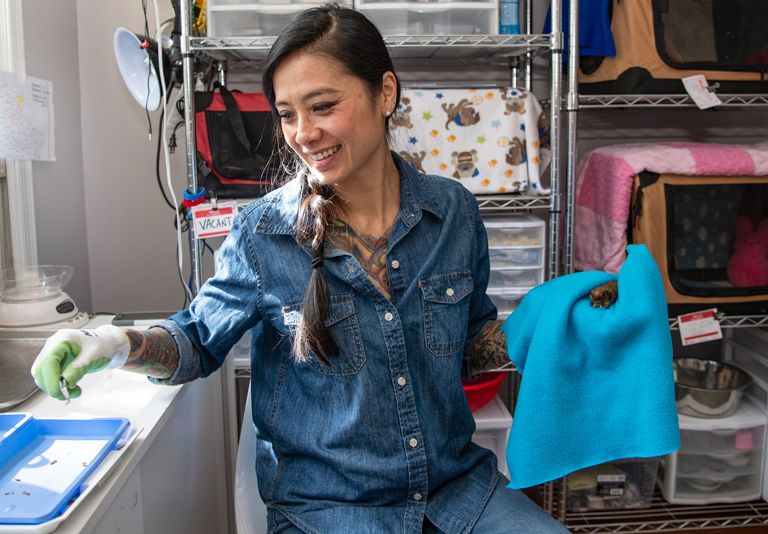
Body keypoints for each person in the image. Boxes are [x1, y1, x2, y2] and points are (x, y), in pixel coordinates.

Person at [31, 5, 606, 532]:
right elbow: (196, 341)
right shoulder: (263, 232)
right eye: (287, 114)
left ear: (385, 92)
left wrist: (550, 325)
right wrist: (111, 343)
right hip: (329, 511)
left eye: (323, 105)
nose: (303, 134)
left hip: (456, 493)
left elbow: (469, 346)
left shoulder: (451, 211)